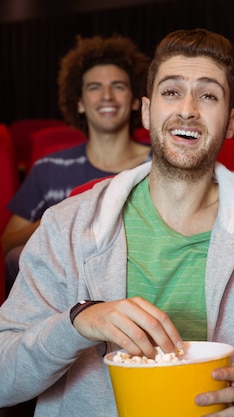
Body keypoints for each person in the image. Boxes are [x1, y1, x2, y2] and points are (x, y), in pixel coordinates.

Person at [0, 28, 234, 416]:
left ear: (232, 122)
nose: (188, 109)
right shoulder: (66, 224)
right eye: (171, 92)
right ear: (147, 110)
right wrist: (77, 321)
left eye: (207, 95)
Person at [1, 35, 152, 291]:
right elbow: (6, 245)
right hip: (62, 299)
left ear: (136, 100)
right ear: (80, 102)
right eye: (94, 87)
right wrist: (60, 218)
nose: (106, 96)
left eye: (118, 86)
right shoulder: (49, 168)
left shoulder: (159, 165)